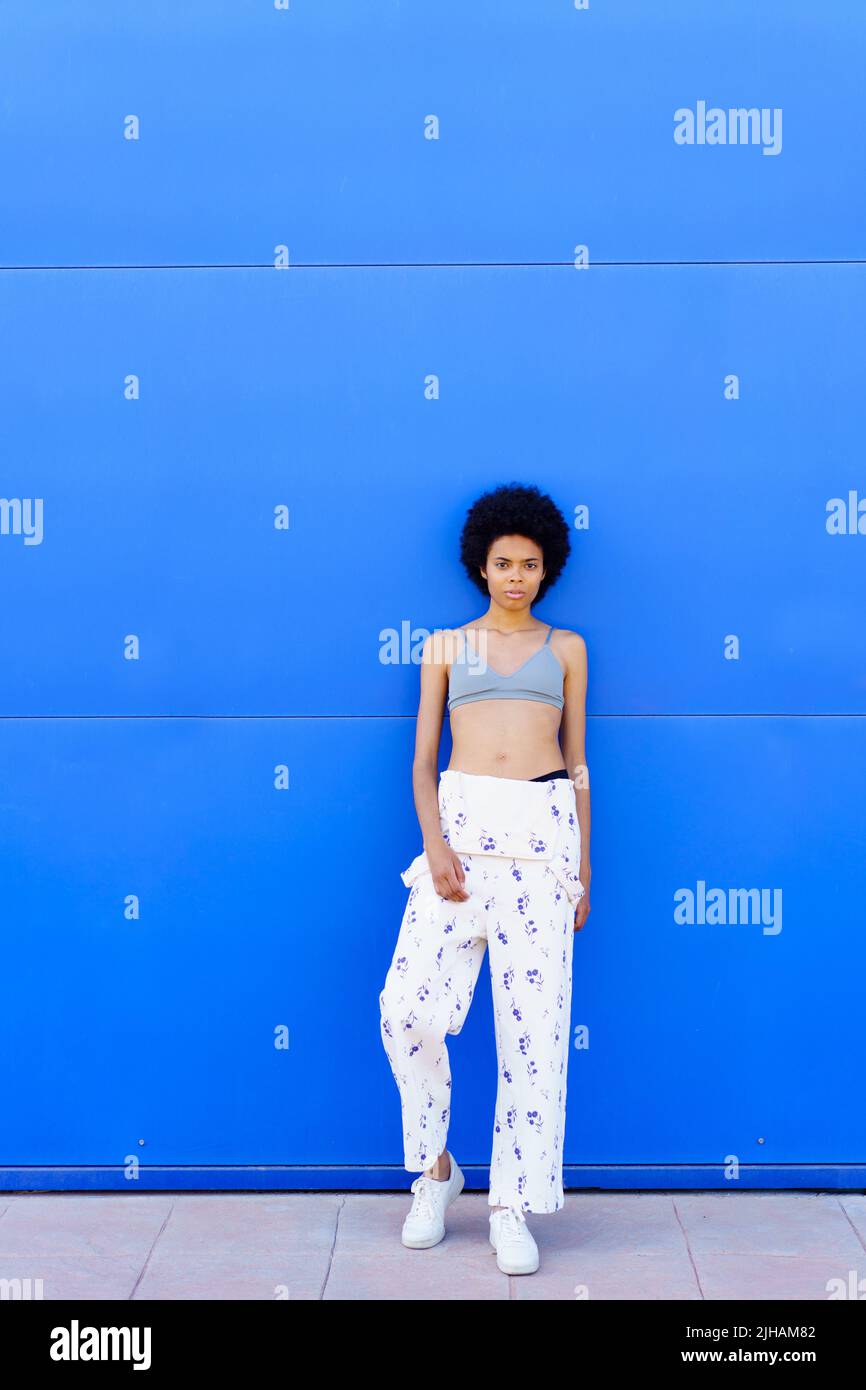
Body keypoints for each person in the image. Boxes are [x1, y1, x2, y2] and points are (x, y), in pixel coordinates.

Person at [379, 481, 591, 1275]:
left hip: (542, 842)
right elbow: (423, 759)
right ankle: (435, 1171)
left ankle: (510, 1204)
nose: (515, 575)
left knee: (534, 1035)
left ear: (546, 570)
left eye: (529, 564)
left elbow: (576, 766)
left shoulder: (567, 649)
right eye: (503, 562)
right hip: (460, 840)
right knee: (405, 1010)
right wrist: (434, 845)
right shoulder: (443, 646)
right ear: (480, 565)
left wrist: (582, 870)